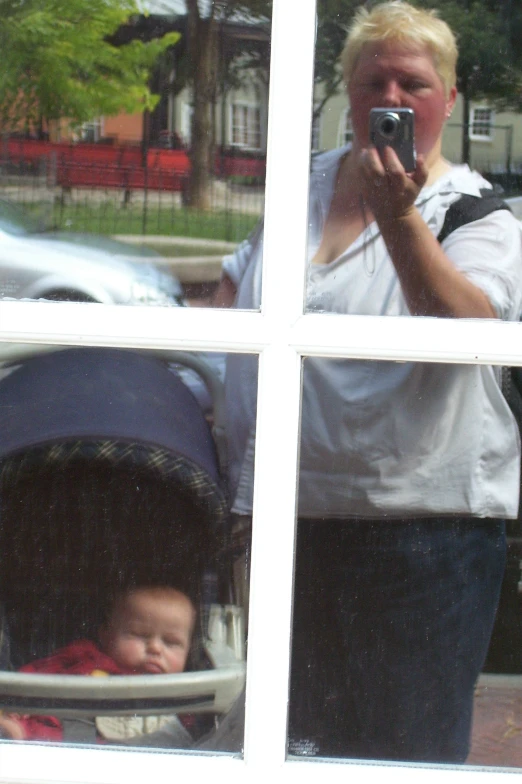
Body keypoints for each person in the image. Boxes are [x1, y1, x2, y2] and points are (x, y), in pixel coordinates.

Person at [213, 0, 522, 764]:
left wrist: (399, 217)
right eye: (373, 80)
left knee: (400, 756)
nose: (391, 99)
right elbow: (235, 302)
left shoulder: (480, 214)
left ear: (447, 100)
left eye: (413, 84)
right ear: (347, 92)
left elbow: (470, 334)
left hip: (419, 538)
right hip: (292, 521)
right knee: (298, 750)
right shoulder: (301, 190)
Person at [0, 585, 196, 744]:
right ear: (106, 636)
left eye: (171, 642)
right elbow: (41, 672)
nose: (155, 648)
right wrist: (19, 702)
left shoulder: (189, 691)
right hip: (69, 742)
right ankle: (15, 731)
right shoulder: (88, 659)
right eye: (139, 635)